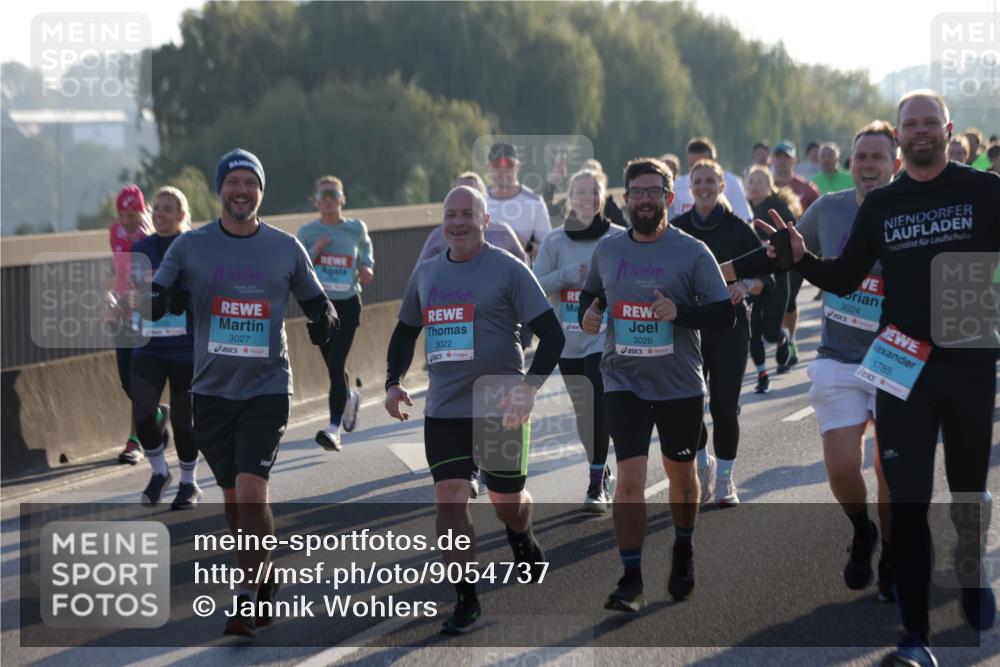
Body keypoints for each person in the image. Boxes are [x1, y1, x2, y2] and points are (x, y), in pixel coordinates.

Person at [725, 91, 999, 667]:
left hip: (970, 363)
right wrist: (799, 258)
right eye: (910, 125)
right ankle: (914, 636)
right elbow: (844, 279)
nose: (920, 132)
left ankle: (972, 568)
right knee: (908, 497)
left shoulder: (985, 192)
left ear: (948, 130)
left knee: (968, 489)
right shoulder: (882, 207)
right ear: (900, 136)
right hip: (901, 368)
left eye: (930, 123)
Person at [151, 148, 338, 637]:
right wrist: (164, 299)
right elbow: (155, 296)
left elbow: (317, 300)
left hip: (267, 387)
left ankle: (246, 594)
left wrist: (325, 320)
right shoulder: (190, 246)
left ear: (261, 191)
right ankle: (264, 571)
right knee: (235, 499)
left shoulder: (284, 247)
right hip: (211, 391)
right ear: (220, 191)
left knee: (252, 492)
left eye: (249, 184)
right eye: (232, 183)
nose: (241, 192)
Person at [385, 185, 564, 634]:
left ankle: (520, 533)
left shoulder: (508, 269)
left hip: (499, 404)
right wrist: (392, 383)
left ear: (485, 221)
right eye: (450, 215)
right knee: (449, 498)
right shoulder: (425, 274)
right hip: (444, 409)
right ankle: (466, 599)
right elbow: (405, 333)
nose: (458, 222)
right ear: (442, 222)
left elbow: (552, 335)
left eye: (468, 214)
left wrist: (529, 389)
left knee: (507, 503)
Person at [579, 157, 735, 612]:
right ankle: (631, 578)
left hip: (679, 384)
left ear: (670, 198)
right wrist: (588, 314)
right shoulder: (607, 251)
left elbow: (725, 313)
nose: (645, 200)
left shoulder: (691, 252)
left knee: (682, 479)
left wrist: (680, 313)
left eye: (654, 192)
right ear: (626, 200)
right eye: (637, 192)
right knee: (628, 478)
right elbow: (593, 294)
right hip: (622, 379)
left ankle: (684, 546)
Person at [795, 121, 900, 602]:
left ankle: (895, 555)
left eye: (878, 157)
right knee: (841, 466)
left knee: (890, 470)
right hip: (838, 355)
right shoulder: (827, 209)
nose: (868, 165)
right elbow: (789, 255)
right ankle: (863, 531)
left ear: (895, 165)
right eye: (861, 157)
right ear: (850, 164)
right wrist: (743, 282)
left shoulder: (909, 211)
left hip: (897, 355)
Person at [672, 159, 772, 507]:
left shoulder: (738, 229)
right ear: (689, 187)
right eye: (697, 181)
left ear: (721, 186)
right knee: (689, 406)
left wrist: (745, 284)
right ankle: (702, 464)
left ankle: (727, 480)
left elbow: (767, 279)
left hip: (730, 329)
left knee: (724, 407)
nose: (703, 187)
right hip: (688, 331)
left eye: (710, 181)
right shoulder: (676, 229)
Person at [533, 169, 623, 512]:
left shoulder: (617, 238)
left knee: (598, 403)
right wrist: (567, 276)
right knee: (586, 413)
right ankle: (602, 469)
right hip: (567, 340)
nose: (589, 198)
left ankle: (595, 483)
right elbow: (535, 285)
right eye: (582, 192)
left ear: (603, 196)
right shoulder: (556, 241)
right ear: (571, 198)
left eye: (595, 191)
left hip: (604, 337)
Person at [129, 186, 201, 509]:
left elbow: (206, 288)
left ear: (181, 215)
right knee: (142, 410)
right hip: (149, 345)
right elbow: (133, 291)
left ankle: (189, 483)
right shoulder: (140, 248)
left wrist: (180, 294)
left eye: (167, 209)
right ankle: (160, 473)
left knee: (185, 421)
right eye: (156, 208)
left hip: (185, 347)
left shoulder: (192, 246)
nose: (159, 214)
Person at [296, 175, 374, 452]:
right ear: (315, 201)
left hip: (349, 303)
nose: (328, 201)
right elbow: (298, 264)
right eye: (322, 196)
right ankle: (349, 397)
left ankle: (334, 428)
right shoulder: (307, 232)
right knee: (333, 367)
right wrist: (315, 250)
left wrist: (367, 267)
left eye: (333, 194)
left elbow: (366, 252)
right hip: (320, 306)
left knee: (337, 363)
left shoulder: (355, 228)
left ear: (343, 199)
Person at [108, 184, 166, 465]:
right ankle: (156, 414)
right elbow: (114, 270)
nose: (128, 220)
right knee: (125, 381)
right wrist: (106, 297)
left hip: (143, 315)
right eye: (123, 214)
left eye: (133, 213)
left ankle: (135, 442)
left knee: (138, 378)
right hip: (120, 313)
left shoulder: (151, 237)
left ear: (143, 211)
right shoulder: (114, 233)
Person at [744, 166, 801, 391]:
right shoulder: (743, 209)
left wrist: (773, 246)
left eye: (760, 181)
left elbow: (793, 240)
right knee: (754, 330)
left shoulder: (777, 210)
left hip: (778, 276)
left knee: (770, 331)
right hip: (752, 277)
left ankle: (783, 338)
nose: (755, 186)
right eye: (751, 182)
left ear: (769, 186)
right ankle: (762, 376)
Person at [772, 140, 820, 370]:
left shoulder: (806, 189)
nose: (782, 161)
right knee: (771, 302)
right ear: (773, 160)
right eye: (778, 157)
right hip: (768, 254)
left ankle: (789, 342)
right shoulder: (763, 184)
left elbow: (817, 218)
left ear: (794, 161)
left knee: (788, 301)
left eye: (786, 157)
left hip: (795, 254)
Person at [418, 173, 526, 263]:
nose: (465, 197)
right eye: (460, 192)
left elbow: (524, 264)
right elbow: (420, 275)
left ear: (483, 198)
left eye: (472, 192)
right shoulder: (438, 235)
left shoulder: (503, 231)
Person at [486, 142, 552, 262]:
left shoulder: (534, 202)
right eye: (496, 164)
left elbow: (549, 250)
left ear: (518, 166)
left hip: (521, 275)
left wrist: (522, 243)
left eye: (508, 164)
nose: (502, 170)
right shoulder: (479, 200)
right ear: (489, 167)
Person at [668, 137, 753, 222]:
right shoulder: (678, 186)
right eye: (693, 165)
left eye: (704, 164)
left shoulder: (732, 183)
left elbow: (746, 220)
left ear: (714, 162)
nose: (699, 169)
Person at [543, 158, 628, 229]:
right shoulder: (571, 202)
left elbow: (624, 233)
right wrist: (553, 179)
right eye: (585, 174)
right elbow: (548, 207)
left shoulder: (610, 207)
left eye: (594, 174)